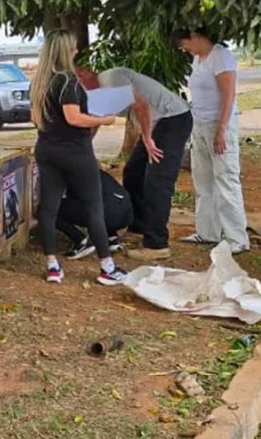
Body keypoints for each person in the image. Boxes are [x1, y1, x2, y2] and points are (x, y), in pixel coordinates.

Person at [31, 32, 128, 285]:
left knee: (49, 209)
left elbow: (35, 119)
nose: (76, 52)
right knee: (94, 208)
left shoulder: (39, 82)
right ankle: (107, 267)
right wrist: (103, 120)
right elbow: (74, 118)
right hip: (75, 152)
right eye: (73, 49)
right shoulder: (68, 82)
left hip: (47, 150)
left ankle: (52, 265)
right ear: (66, 52)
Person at [90, 67, 193, 261]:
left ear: (86, 73)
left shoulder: (110, 78)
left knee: (158, 182)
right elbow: (95, 120)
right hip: (158, 125)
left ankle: (157, 244)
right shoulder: (97, 93)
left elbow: (141, 105)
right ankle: (139, 225)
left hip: (173, 120)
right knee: (133, 172)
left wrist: (146, 138)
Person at [174, 27, 249, 253]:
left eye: (184, 44)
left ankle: (237, 239)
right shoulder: (198, 59)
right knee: (203, 180)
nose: (184, 49)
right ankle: (207, 232)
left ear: (195, 37)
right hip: (200, 124)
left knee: (225, 179)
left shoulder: (221, 56)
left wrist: (222, 129)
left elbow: (229, 95)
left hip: (220, 125)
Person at [58, 170, 132, 259]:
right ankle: (112, 238)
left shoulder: (74, 173)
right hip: (126, 217)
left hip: (108, 215)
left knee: (48, 209)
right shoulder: (96, 170)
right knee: (106, 200)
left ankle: (81, 241)